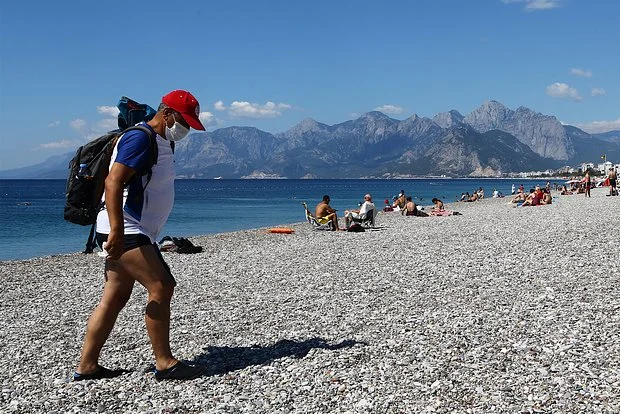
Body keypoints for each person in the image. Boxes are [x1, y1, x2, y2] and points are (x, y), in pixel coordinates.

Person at [75, 90, 208, 382]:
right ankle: (165, 363)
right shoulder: (140, 138)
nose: (185, 129)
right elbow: (113, 182)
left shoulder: (162, 140)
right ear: (167, 113)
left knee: (114, 296)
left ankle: (87, 366)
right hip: (127, 227)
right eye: (183, 121)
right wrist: (118, 230)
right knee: (162, 285)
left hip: (131, 228)